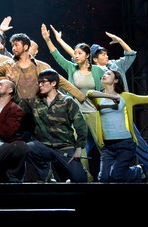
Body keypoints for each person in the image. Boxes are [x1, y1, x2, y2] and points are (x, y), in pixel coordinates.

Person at [51, 27, 148, 183]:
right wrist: (58, 40)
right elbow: (73, 55)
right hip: (96, 115)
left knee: (138, 144)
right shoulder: (92, 70)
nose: (106, 55)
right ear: (93, 59)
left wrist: (120, 40)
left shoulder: (115, 67)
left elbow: (131, 55)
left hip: (119, 115)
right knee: (81, 146)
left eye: (106, 53)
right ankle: (80, 177)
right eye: (102, 54)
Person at [87, 70, 148, 182]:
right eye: (104, 74)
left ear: (116, 80)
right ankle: (137, 172)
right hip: (108, 147)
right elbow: (89, 93)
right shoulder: (98, 98)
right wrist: (111, 97)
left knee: (116, 175)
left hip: (125, 144)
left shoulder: (125, 97)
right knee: (104, 179)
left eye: (108, 74)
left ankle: (138, 171)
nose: (104, 75)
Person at [41, 24, 105, 179]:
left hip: (93, 112)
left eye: (79, 53)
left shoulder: (98, 71)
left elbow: (102, 92)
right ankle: (85, 177)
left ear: (87, 55)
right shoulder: (71, 68)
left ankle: (108, 174)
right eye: (75, 53)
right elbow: (57, 55)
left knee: (102, 145)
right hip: (75, 113)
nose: (76, 55)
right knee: (78, 147)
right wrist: (48, 39)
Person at [17, 69, 88, 183]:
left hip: (64, 147)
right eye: (38, 82)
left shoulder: (67, 101)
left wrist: (79, 148)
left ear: (53, 83)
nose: (40, 85)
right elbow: (18, 106)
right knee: (27, 147)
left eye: (43, 82)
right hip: (44, 146)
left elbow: (80, 125)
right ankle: (46, 175)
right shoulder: (35, 101)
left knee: (80, 179)